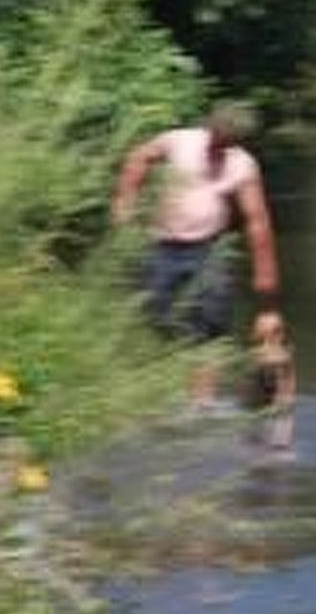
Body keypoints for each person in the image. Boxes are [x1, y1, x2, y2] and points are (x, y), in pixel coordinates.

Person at [112, 106, 283, 406]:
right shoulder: (180, 141)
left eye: (227, 143)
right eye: (217, 139)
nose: (219, 147)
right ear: (209, 129)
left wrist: (267, 300)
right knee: (152, 319)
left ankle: (201, 405)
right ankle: (153, 391)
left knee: (211, 328)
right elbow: (139, 157)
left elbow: (258, 224)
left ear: (237, 142)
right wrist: (125, 199)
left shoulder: (242, 165)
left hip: (209, 251)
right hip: (162, 246)